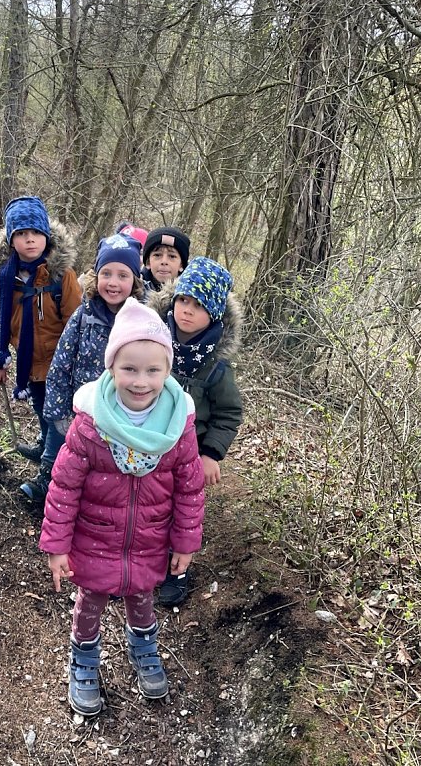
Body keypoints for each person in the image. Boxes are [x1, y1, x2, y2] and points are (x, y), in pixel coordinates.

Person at [39, 298, 205, 716]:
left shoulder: (177, 424)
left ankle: (143, 646)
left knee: (142, 595)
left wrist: (185, 541)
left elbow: (189, 487)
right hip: (95, 534)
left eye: (153, 370)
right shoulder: (91, 422)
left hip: (150, 536)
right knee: (91, 596)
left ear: (168, 371)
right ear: (111, 368)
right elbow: (64, 485)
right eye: (129, 368)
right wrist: (57, 544)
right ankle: (84, 657)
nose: (141, 381)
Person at [148, 256, 243, 607]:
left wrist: (211, 453)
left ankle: (178, 569)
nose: (187, 310)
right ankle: (138, 561)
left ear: (214, 315)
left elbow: (228, 413)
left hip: (190, 452)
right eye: (184, 300)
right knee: (146, 505)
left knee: (184, 511)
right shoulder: (151, 340)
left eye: (199, 305)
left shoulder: (216, 367)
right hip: (148, 444)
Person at [36, 233, 143, 503]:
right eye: (106, 274)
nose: (114, 283)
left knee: (100, 465)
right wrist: (58, 410)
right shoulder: (84, 315)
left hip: (119, 413)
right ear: (96, 277)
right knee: (60, 453)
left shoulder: (143, 321)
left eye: (123, 275)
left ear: (135, 280)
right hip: (79, 407)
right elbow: (61, 363)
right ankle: (45, 487)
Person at [0, 196, 81, 485]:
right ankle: (45, 446)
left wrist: (74, 362)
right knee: (41, 408)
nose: (30, 240)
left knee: (58, 417)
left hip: (59, 364)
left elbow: (75, 321)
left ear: (46, 236)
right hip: (30, 365)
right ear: (11, 239)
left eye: (36, 233)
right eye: (22, 234)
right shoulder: (4, 279)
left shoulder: (61, 276)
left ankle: (49, 474)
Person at [141, 226, 190, 294]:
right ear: (148, 262)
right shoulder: (133, 289)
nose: (164, 261)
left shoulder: (188, 296)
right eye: (157, 255)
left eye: (172, 256)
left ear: (181, 265)